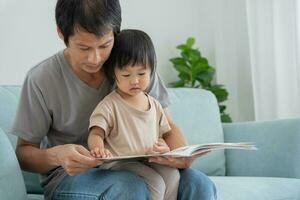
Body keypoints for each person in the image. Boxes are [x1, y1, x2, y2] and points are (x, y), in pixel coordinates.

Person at [11, 0, 217, 199]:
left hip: (142, 165)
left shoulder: (134, 68)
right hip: (72, 177)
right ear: (61, 33)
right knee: (129, 187)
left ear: (116, 33)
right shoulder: (41, 79)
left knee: (198, 185)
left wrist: (181, 157)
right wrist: (57, 156)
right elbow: (24, 153)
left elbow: (168, 127)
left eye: (105, 45)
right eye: (84, 48)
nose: (96, 58)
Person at [88, 29, 180, 200]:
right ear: (114, 74)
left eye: (141, 73)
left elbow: (165, 135)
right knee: (156, 182)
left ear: (152, 71)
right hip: (119, 163)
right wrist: (97, 148)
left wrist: (164, 149)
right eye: (126, 74)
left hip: (146, 161)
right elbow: (96, 132)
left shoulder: (154, 104)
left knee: (172, 175)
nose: (135, 80)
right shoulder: (110, 105)